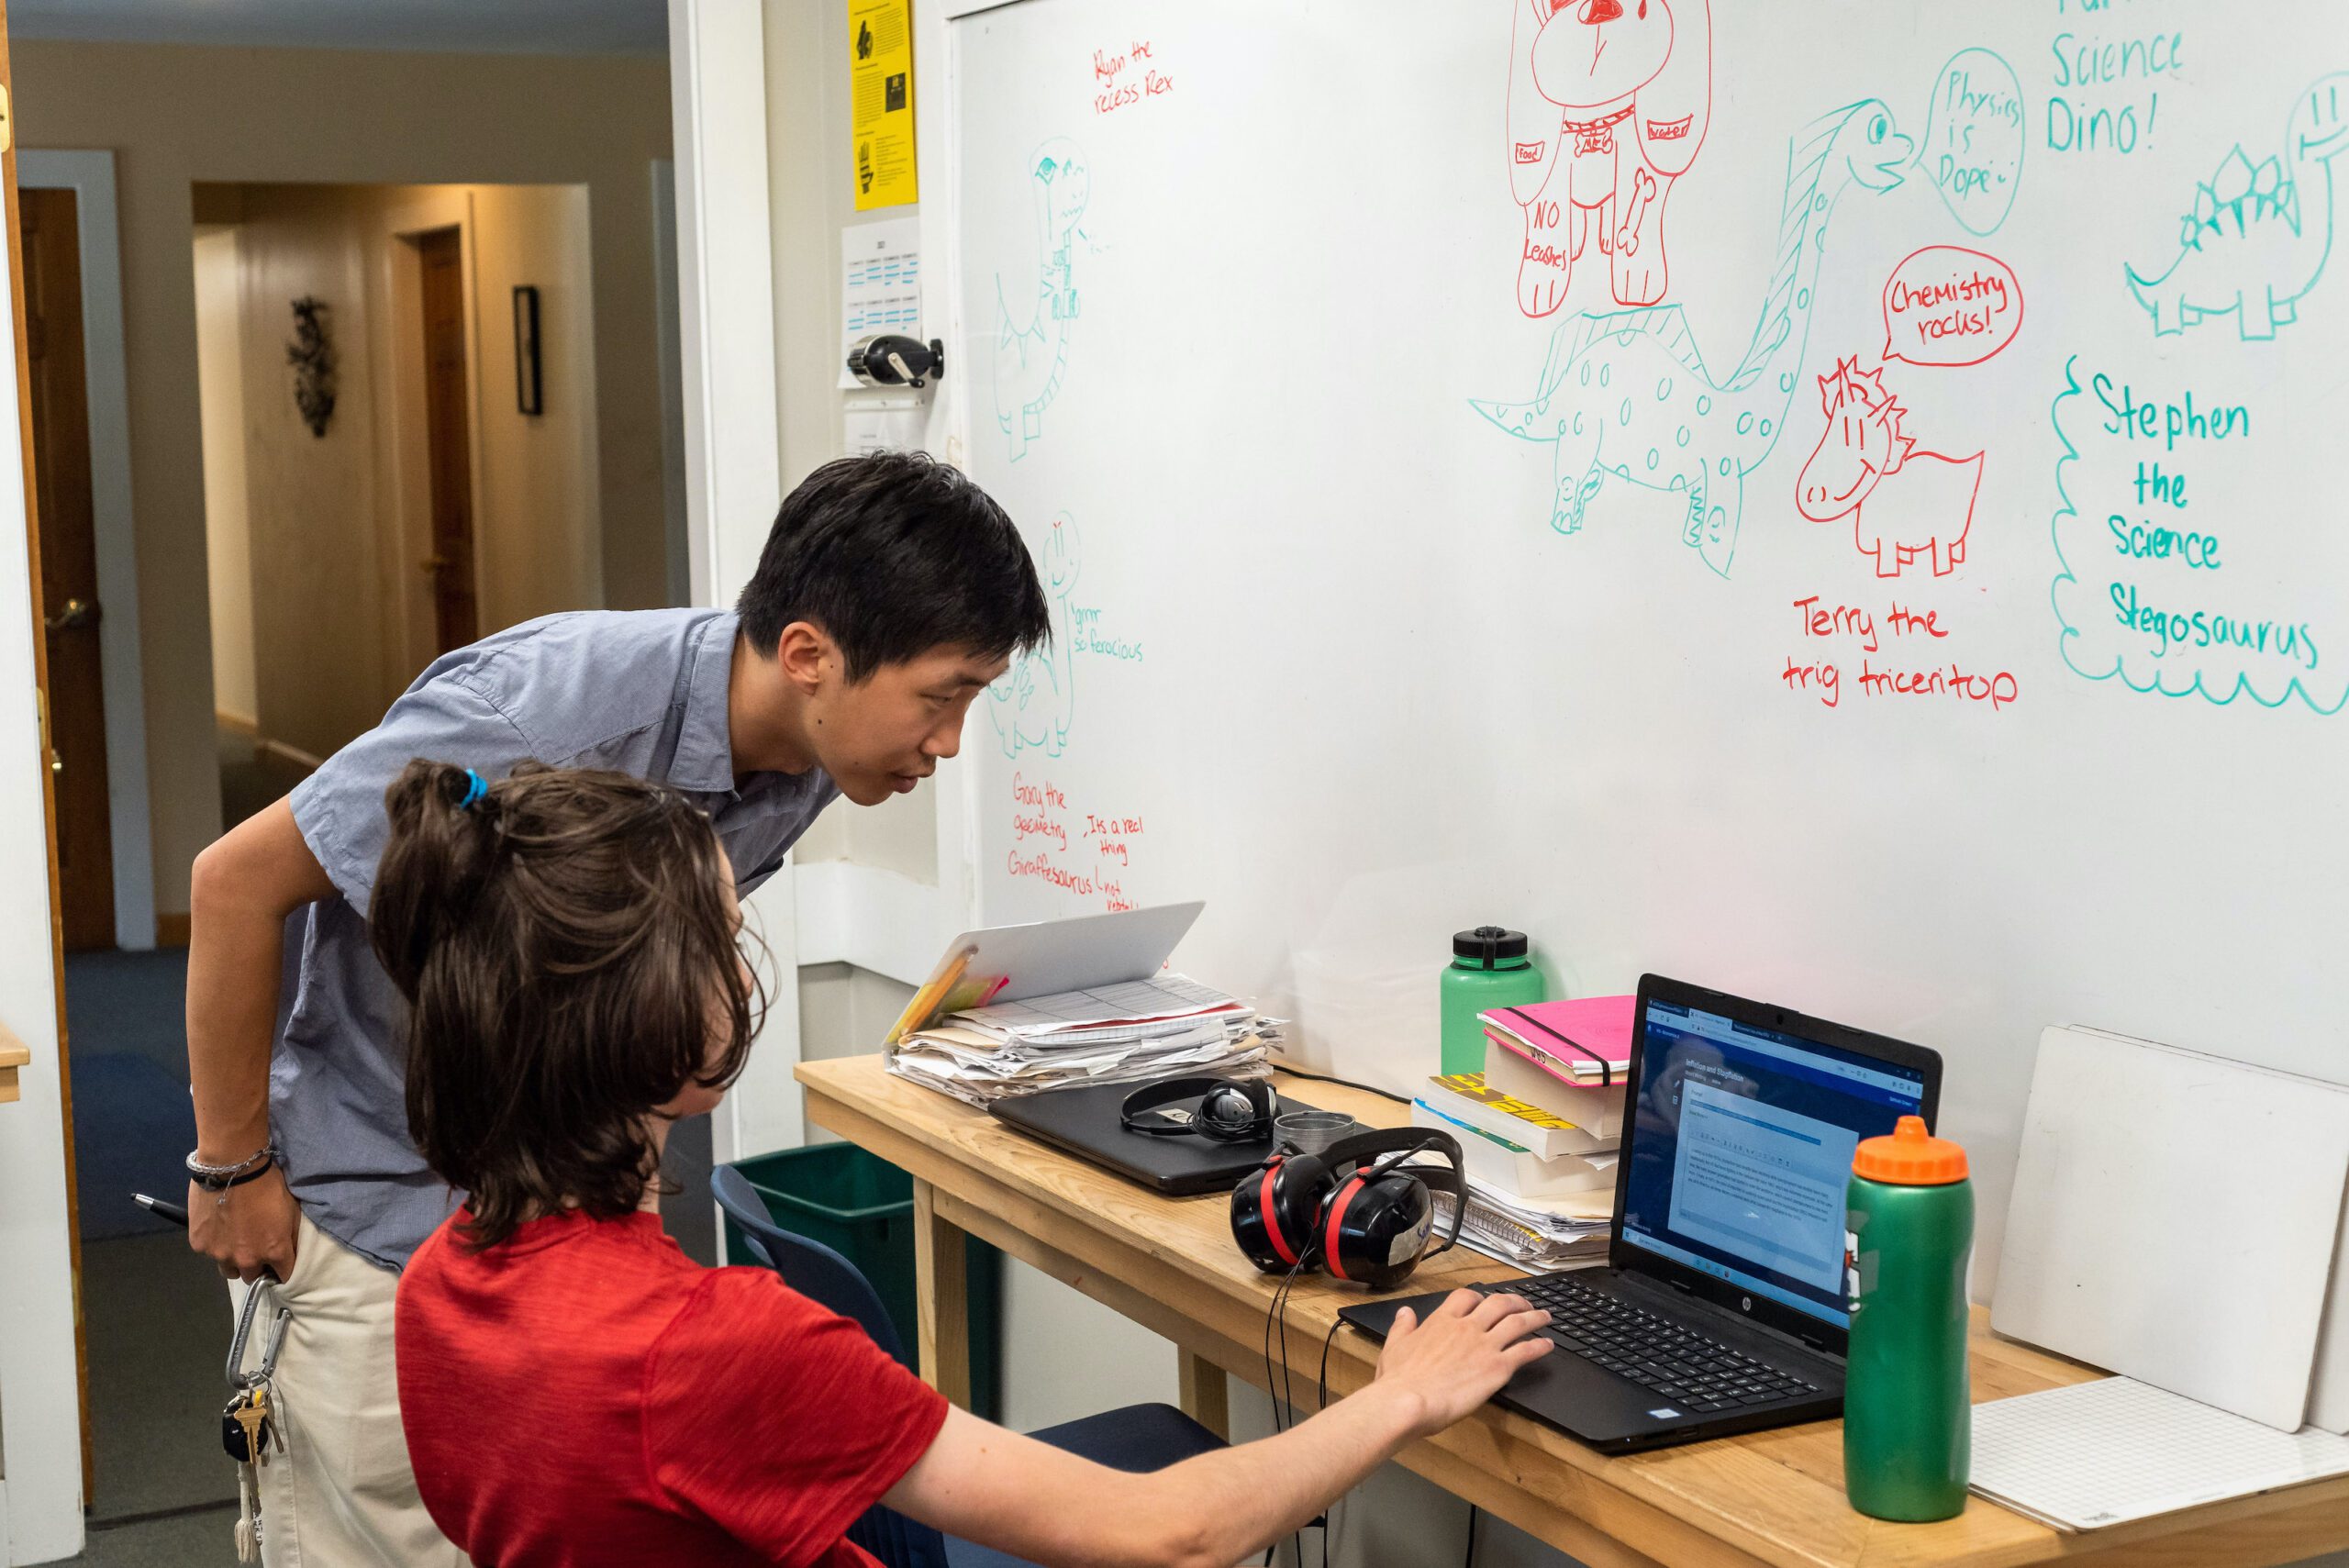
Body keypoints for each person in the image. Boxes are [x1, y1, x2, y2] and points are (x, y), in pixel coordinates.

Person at [184, 451, 1052, 1565]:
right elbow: (232, 883)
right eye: (942, 697)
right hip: (378, 1208)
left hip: (551, 1238)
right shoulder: (538, 716)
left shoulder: (809, 753)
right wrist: (233, 1165)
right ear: (809, 655)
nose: (949, 741)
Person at [374, 761, 1556, 1568]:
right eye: (722, 941)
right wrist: (1401, 1393)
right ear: (637, 1015)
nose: (739, 972)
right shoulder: (708, 1341)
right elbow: (1169, 1531)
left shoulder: (438, 1284)